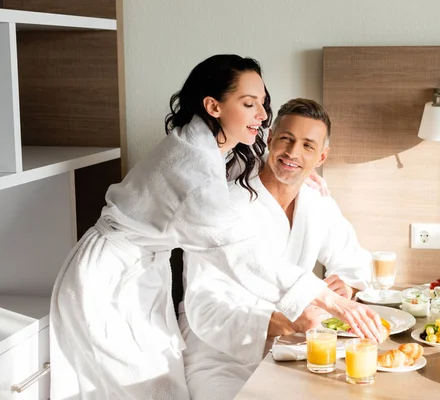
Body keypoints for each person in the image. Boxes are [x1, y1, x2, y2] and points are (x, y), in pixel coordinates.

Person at [49, 55, 381, 400]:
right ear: (214, 106)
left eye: (263, 104)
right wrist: (327, 299)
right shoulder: (196, 177)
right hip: (108, 281)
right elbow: (243, 253)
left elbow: (241, 163)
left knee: (156, 389)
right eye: (250, 104)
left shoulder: (206, 146)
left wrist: (296, 165)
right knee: (133, 392)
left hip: (138, 274)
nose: (262, 115)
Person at [180, 98, 374, 400]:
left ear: (321, 157)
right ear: (270, 138)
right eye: (286, 139)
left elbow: (355, 260)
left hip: (293, 348)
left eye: (308, 146)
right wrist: (281, 322)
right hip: (219, 355)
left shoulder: (316, 201)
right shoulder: (226, 207)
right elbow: (204, 309)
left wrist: (346, 284)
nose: (293, 153)